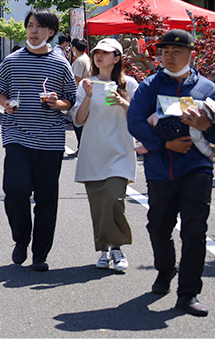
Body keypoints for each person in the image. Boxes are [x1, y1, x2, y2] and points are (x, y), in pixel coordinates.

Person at [127, 29, 215, 317]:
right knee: (158, 227)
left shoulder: (207, 89)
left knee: (195, 230)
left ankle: (188, 293)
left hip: (197, 168)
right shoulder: (149, 87)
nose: (169, 57)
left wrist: (207, 127)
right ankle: (165, 270)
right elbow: (135, 121)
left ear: (191, 54)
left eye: (176, 51)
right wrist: (164, 143)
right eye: (164, 52)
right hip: (160, 169)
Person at [0, 8, 76, 271]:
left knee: (46, 198)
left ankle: (40, 253)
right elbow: (1, 93)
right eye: (30, 25)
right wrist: (6, 104)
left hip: (50, 140)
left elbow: (70, 100)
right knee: (15, 191)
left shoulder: (61, 63)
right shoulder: (12, 60)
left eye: (39, 27)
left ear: (50, 32)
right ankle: (21, 239)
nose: (33, 31)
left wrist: (56, 103)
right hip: (17, 135)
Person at [70, 38, 138, 272]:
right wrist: (88, 95)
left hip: (120, 151)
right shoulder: (86, 85)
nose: (99, 56)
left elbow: (139, 119)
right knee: (98, 204)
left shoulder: (129, 84)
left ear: (117, 58)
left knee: (114, 199)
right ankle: (104, 250)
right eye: (96, 52)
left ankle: (117, 247)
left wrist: (122, 102)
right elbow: (78, 120)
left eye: (106, 53)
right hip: (93, 151)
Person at [69, 38, 92, 157]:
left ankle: (81, 148)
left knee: (77, 123)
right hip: (86, 92)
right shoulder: (87, 58)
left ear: (74, 47)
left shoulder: (79, 61)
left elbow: (76, 79)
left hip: (80, 93)